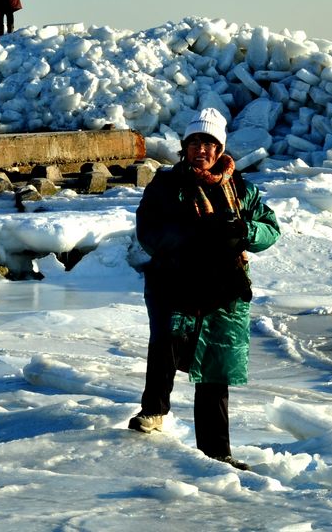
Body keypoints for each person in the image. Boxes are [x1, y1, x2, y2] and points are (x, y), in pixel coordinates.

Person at [131, 107, 280, 470]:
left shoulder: (241, 188)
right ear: (185, 147)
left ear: (220, 150)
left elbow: (270, 228)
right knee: (167, 343)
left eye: (209, 143)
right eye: (195, 142)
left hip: (223, 288)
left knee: (215, 365)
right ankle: (154, 410)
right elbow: (148, 230)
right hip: (174, 280)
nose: (202, 150)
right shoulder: (167, 185)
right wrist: (190, 237)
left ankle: (216, 453)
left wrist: (244, 230)